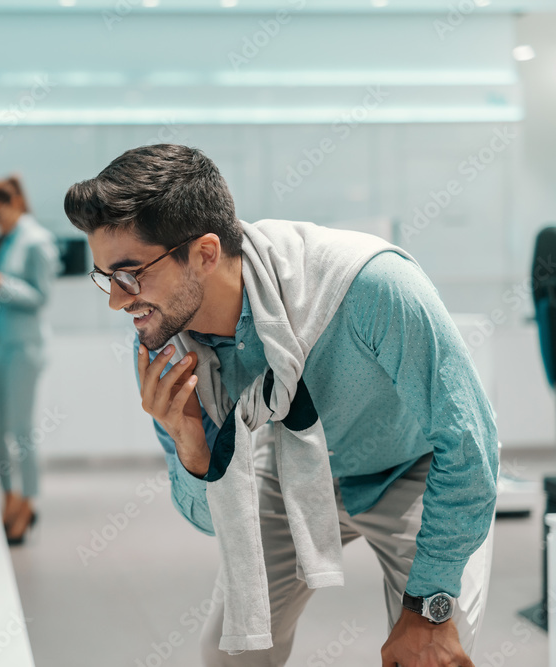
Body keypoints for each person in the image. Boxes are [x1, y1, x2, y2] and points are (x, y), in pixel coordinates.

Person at [63, 144, 497, 667]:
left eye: (129, 274)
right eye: (105, 277)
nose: (116, 299)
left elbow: (468, 443)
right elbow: (210, 523)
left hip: (416, 468)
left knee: (433, 656)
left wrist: (429, 609)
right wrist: (193, 450)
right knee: (230, 652)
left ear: (203, 253)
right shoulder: (165, 341)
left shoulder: (370, 285)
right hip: (294, 462)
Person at [0, 176, 60, 545]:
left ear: (15, 204)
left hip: (26, 349)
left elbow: (39, 296)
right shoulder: (3, 241)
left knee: (21, 430)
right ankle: (7, 496)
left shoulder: (37, 242)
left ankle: (27, 501)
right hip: (3, 345)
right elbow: (3, 292)